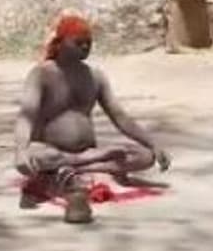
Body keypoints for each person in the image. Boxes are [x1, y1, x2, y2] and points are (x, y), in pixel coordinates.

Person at [14, 12, 171, 223]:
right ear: (61, 43)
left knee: (144, 156)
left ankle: (74, 168)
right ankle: (75, 167)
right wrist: (21, 151)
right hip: (52, 151)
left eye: (89, 43)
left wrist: (153, 144)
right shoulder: (41, 74)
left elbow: (120, 117)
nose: (85, 47)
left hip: (89, 152)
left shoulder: (95, 76)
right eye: (79, 42)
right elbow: (27, 115)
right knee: (39, 157)